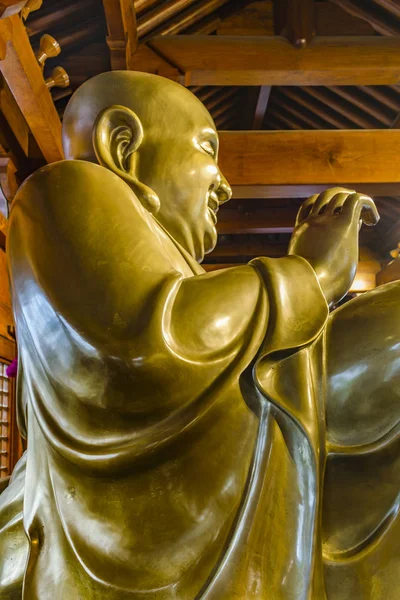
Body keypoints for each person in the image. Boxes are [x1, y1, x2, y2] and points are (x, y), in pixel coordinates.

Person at [0, 71, 398, 599]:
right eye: (208, 149)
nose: (226, 184)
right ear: (123, 146)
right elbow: (148, 340)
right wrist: (311, 275)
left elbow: (238, 343)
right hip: (136, 545)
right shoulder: (63, 190)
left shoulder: (186, 270)